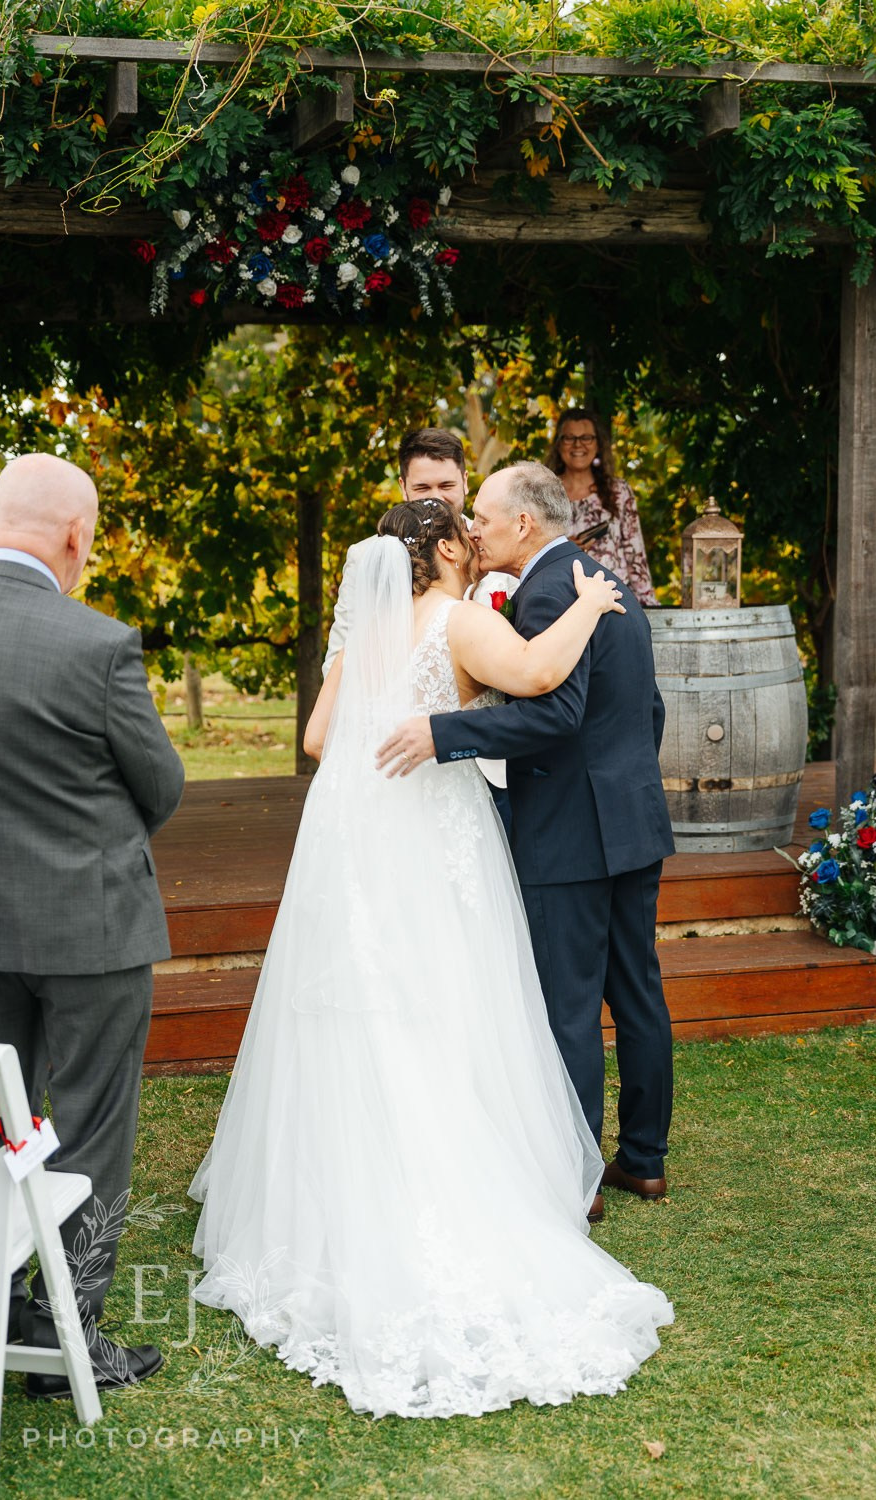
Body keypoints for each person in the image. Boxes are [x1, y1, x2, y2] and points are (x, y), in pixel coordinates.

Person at [190, 499, 673, 1419]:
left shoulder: (367, 632)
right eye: (469, 529)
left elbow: (322, 740)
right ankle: (446, 1178)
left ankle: (339, 1193)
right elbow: (534, 672)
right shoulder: (454, 619)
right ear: (446, 549)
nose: (479, 541)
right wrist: (591, 604)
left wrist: (396, 725)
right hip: (437, 838)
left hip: (365, 845)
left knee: (369, 1009)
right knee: (449, 1001)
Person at [377, 464, 675, 1222]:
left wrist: (443, 732)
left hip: (569, 829)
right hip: (631, 821)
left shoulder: (547, 595)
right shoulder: (601, 581)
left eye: (482, 513)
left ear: (523, 526)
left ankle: (574, 1179)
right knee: (636, 991)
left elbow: (554, 714)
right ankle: (643, 1160)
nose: (471, 526)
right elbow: (650, 707)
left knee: (567, 1004)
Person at [0, 452, 185, 1395]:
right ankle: (68, 1336)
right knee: (93, 1125)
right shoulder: (98, 643)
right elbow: (162, 785)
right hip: (93, 930)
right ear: (75, 536)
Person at [325, 426, 516, 832]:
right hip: (405, 762)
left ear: (466, 480)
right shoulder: (368, 558)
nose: (436, 496)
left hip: (498, 757)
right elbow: (343, 656)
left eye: (447, 484)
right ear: (402, 486)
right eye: (422, 485)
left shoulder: (498, 545)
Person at [548, 407, 659, 608]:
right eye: (569, 438)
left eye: (586, 438)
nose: (578, 444)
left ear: (598, 444)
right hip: (561, 602)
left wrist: (649, 608)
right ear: (558, 444)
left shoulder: (619, 491)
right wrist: (563, 546)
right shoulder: (545, 491)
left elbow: (636, 556)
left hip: (615, 601)